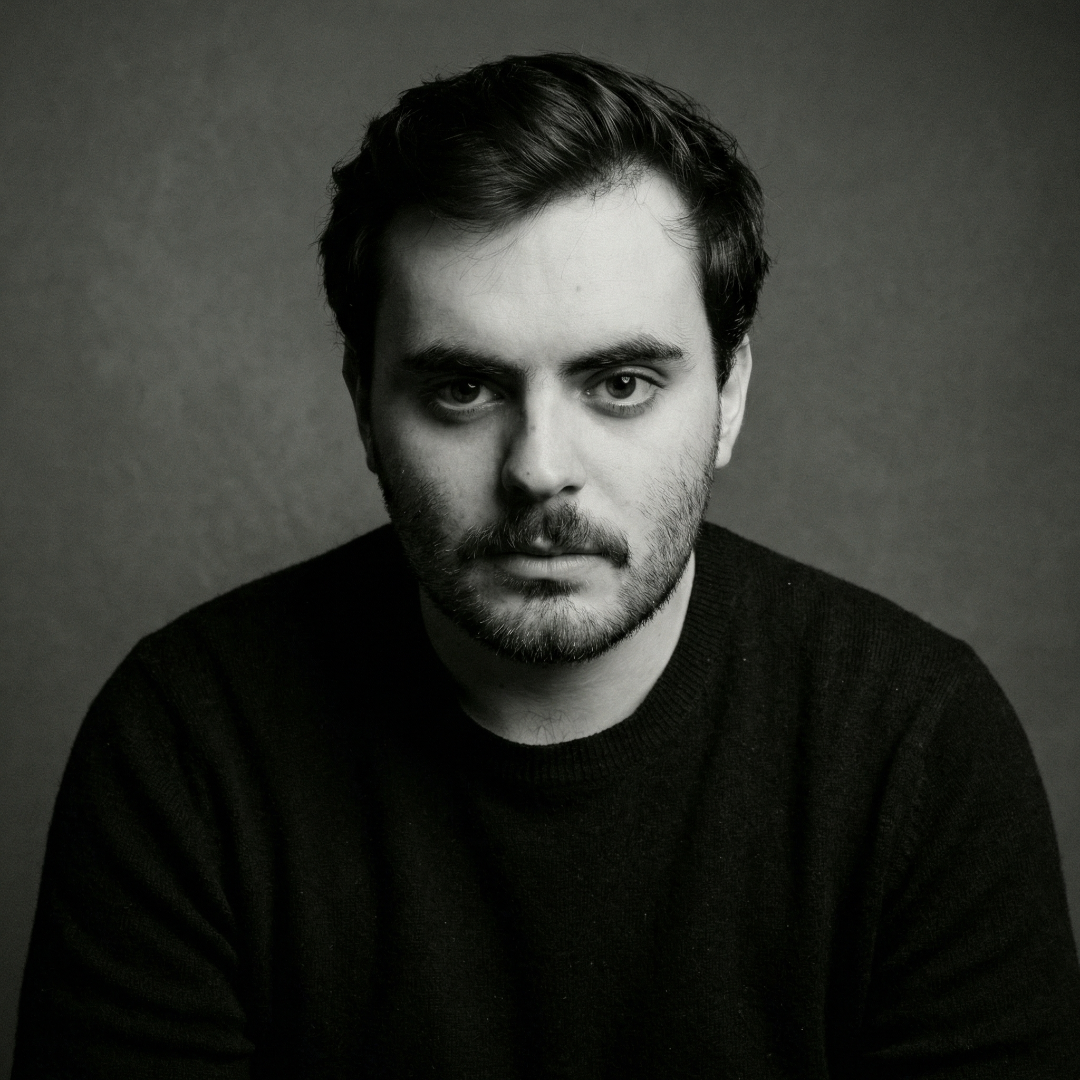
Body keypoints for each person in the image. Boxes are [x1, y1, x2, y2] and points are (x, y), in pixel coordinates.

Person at [13, 53, 1080, 1079]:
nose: (538, 470)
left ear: (729, 397)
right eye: (462, 390)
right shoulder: (187, 743)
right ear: (364, 407)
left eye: (619, 384)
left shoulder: (916, 745)